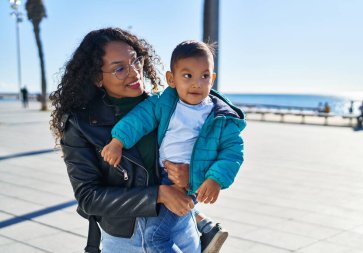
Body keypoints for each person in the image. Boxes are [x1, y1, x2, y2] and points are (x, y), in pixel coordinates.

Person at [49, 28, 201, 253]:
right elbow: (88, 197)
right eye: (119, 69)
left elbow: (203, 149)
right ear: (97, 78)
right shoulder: (81, 125)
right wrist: (157, 194)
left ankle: (202, 222)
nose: (135, 73)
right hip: (131, 238)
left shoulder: (166, 107)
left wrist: (193, 174)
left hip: (183, 226)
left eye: (136, 61)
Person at [101, 40, 246, 253]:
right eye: (187, 76)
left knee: (154, 237)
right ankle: (205, 227)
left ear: (212, 79)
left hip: (187, 184)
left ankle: (204, 226)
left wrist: (214, 178)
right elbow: (139, 119)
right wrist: (118, 141)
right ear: (171, 79)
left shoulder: (221, 117)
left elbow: (232, 152)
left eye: (204, 76)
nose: (197, 83)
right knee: (166, 231)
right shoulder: (165, 102)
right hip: (162, 178)